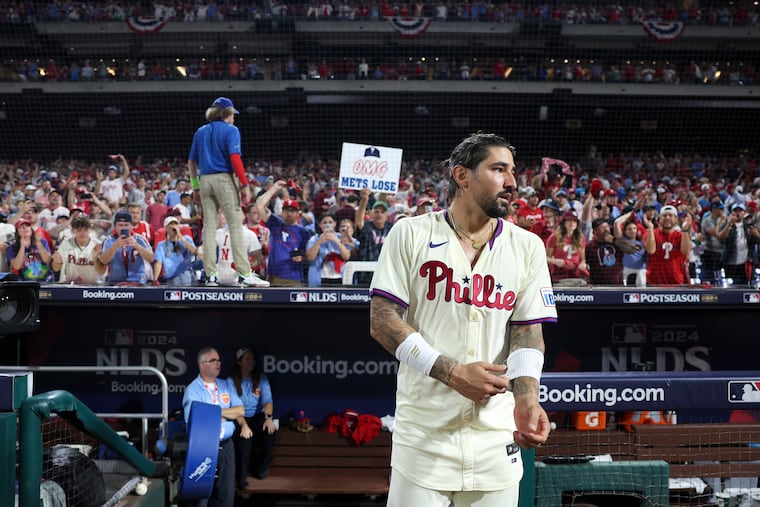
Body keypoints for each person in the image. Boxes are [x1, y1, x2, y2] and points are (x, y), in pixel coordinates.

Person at [369, 133, 556, 507]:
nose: (512, 182)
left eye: (513, 172)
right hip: (424, 437)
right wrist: (453, 373)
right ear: (462, 175)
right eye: (498, 169)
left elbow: (527, 333)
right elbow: (383, 321)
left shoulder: (528, 245)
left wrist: (527, 399)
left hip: (496, 439)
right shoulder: (410, 233)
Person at [187, 96, 269, 288]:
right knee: (235, 226)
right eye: (233, 114)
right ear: (226, 113)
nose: (234, 118)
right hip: (224, 178)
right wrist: (244, 183)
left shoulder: (200, 131)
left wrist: (195, 186)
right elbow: (235, 158)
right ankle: (244, 273)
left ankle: (211, 276)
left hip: (204, 180)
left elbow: (191, 162)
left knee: (209, 227)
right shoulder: (232, 130)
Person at [182, 347, 246, 507]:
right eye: (213, 360)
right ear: (202, 364)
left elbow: (240, 410)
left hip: (226, 445)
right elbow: (197, 421)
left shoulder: (226, 385)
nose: (218, 363)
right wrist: (225, 415)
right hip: (202, 447)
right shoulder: (193, 390)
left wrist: (212, 414)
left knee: (225, 494)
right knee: (201, 496)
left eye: (219, 360)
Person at [228, 348, 276, 487]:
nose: (251, 362)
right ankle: (241, 478)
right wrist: (243, 424)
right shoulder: (231, 380)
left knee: (270, 430)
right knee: (245, 439)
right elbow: (233, 406)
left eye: (253, 359)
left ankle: (261, 469)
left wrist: (268, 418)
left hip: (257, 416)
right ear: (239, 362)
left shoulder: (261, 378)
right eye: (247, 359)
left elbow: (268, 401)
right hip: (239, 417)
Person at [255, 181, 312, 286]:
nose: (289, 213)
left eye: (292, 211)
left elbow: (308, 256)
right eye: (286, 210)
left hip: (293, 277)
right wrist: (274, 188)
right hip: (273, 277)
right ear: (282, 211)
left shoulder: (303, 232)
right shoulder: (275, 223)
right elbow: (259, 205)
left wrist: (302, 258)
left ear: (298, 213)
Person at [97, 210, 154, 286]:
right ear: (115, 226)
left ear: (131, 226)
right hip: (115, 283)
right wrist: (115, 246)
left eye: (126, 225)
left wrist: (137, 246)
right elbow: (102, 261)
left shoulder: (140, 239)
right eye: (120, 225)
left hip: (138, 282)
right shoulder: (108, 240)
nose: (123, 228)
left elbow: (151, 258)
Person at [643, 205, 692, 285]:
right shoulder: (652, 234)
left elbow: (685, 251)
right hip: (654, 282)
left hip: (677, 282)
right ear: (659, 219)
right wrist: (650, 229)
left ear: (676, 219)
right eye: (664, 215)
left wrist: (685, 229)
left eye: (670, 215)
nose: (667, 218)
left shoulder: (681, 235)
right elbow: (650, 250)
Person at [305, 212, 357, 287]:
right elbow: (310, 257)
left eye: (330, 222)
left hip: (339, 277)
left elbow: (347, 256)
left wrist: (337, 241)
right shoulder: (314, 239)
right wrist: (319, 242)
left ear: (335, 224)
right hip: (320, 277)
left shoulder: (342, 237)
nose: (327, 225)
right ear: (320, 225)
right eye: (324, 222)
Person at [354, 188, 393, 285]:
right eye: (376, 212)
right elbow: (359, 222)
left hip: (385, 275)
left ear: (387, 215)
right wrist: (364, 200)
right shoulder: (367, 226)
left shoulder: (391, 229)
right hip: (366, 274)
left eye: (382, 212)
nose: (379, 214)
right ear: (371, 214)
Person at [215, 212, 265, 286]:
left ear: (243, 216)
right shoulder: (218, 233)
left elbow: (259, 259)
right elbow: (259, 259)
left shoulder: (249, 234)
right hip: (229, 277)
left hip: (225, 277)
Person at [51, 215, 105, 284]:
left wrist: (95, 258)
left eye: (85, 230)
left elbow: (102, 271)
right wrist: (56, 262)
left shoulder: (97, 245)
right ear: (73, 231)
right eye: (79, 230)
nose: (83, 233)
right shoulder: (66, 244)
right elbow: (56, 268)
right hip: (70, 286)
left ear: (90, 229)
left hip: (92, 287)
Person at [716, 203, 760, 286]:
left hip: (746, 264)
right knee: (731, 289)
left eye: (740, 211)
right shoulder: (727, 225)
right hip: (730, 264)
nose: (738, 213)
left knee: (746, 288)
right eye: (735, 211)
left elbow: (757, 241)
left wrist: (757, 234)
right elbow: (720, 238)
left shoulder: (750, 226)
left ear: (744, 213)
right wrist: (729, 224)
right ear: (732, 213)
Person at [153, 215, 197, 286]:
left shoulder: (186, 239)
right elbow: (158, 262)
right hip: (172, 277)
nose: (174, 226)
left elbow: (194, 251)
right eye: (171, 224)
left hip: (187, 274)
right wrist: (155, 279)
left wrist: (180, 236)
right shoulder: (161, 245)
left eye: (175, 224)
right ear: (166, 228)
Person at [546, 209, 587, 283]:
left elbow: (582, 259)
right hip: (559, 274)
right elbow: (546, 258)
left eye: (574, 221)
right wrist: (556, 261)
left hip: (575, 273)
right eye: (569, 220)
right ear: (563, 222)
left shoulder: (581, 238)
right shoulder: (554, 237)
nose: (572, 223)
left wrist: (583, 264)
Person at [585, 218, 625, 285]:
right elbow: (585, 265)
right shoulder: (589, 246)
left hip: (618, 285)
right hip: (597, 286)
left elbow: (632, 249)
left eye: (607, 226)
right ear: (594, 232)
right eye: (602, 228)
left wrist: (615, 241)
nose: (606, 229)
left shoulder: (616, 242)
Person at [614, 210, 648, 287]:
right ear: (625, 231)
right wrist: (629, 214)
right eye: (629, 229)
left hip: (641, 271)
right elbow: (617, 223)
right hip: (626, 271)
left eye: (634, 228)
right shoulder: (623, 241)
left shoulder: (643, 242)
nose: (632, 231)